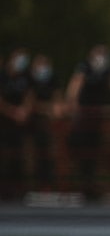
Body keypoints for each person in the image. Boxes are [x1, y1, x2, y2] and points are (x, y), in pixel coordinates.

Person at [65, 44, 110, 203]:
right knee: (79, 150)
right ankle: (82, 185)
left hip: (96, 116)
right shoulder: (84, 67)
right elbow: (75, 85)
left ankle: (90, 186)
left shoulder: (108, 70)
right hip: (83, 115)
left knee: (93, 150)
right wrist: (72, 104)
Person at [0, 48, 34, 202]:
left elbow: (29, 95)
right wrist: (12, 112)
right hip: (4, 122)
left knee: (20, 155)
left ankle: (19, 189)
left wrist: (24, 110)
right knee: (4, 156)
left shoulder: (24, 77)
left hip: (20, 124)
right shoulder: (2, 76)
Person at [27, 53, 64, 192]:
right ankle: (30, 185)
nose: (43, 68)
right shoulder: (29, 79)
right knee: (31, 155)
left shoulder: (53, 79)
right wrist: (48, 108)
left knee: (50, 154)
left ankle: (48, 185)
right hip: (32, 124)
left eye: (46, 64)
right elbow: (29, 103)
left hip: (48, 125)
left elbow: (58, 102)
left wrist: (55, 109)